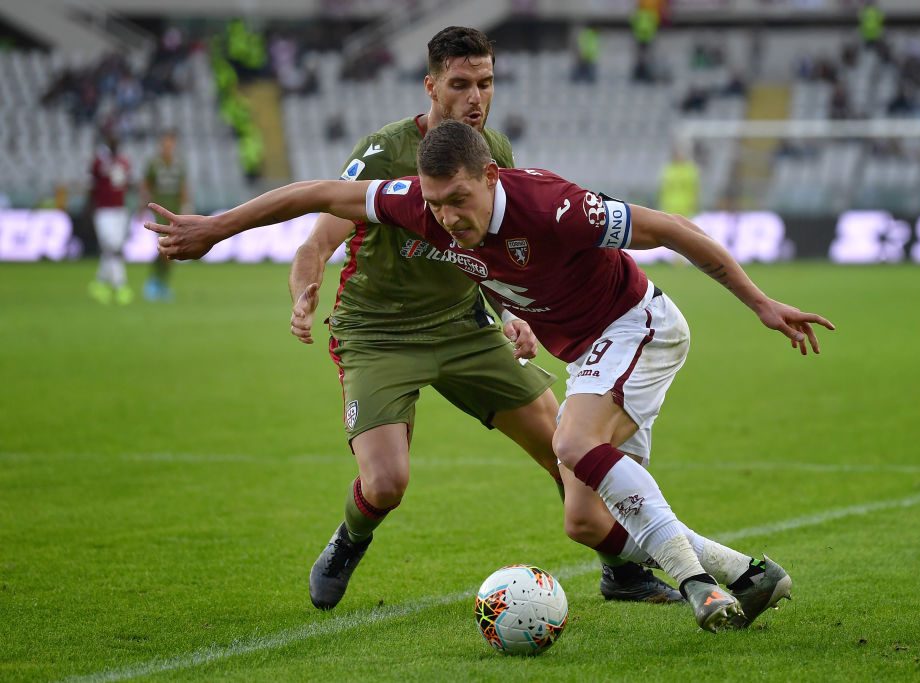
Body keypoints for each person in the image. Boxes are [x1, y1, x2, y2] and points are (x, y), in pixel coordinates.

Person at [147, 119, 835, 632]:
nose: (446, 217)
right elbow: (319, 194)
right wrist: (216, 227)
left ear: (491, 180)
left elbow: (672, 227)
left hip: (638, 327)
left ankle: (693, 586)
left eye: (458, 200)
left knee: (568, 445)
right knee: (584, 517)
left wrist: (761, 303)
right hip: (584, 352)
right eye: (435, 203)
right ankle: (747, 574)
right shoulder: (420, 203)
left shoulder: (554, 205)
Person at [289, 27, 681, 612]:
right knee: (386, 484)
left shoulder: (490, 153)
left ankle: (620, 571)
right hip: (380, 334)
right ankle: (350, 539)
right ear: (431, 86)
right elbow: (318, 238)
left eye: (486, 83)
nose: (476, 97)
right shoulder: (384, 151)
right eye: (461, 84)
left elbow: (499, 249)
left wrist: (509, 313)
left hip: (463, 326)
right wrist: (305, 290)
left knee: (565, 448)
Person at [141, 129, 188, 301]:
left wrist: (186, 206)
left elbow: (183, 187)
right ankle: (155, 282)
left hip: (175, 212)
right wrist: (145, 204)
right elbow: (146, 184)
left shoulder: (178, 163)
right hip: (160, 211)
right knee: (165, 248)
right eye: (166, 142)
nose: (168, 146)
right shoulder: (154, 164)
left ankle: (161, 283)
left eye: (171, 142)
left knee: (172, 249)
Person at [88, 134, 133, 305]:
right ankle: (121, 286)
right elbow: (92, 185)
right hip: (104, 210)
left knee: (112, 249)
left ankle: (99, 283)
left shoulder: (124, 162)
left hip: (120, 210)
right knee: (113, 247)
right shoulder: (99, 162)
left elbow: (125, 184)